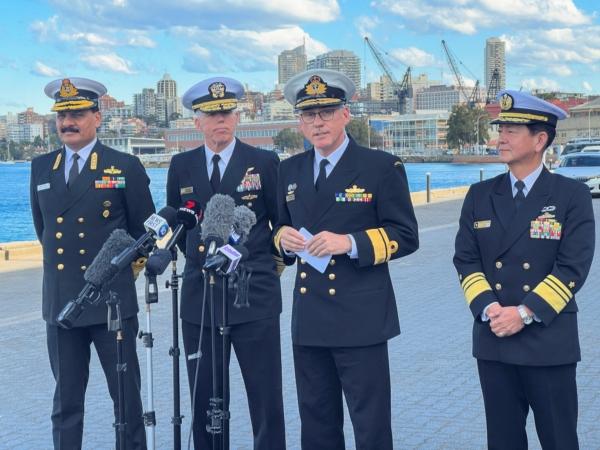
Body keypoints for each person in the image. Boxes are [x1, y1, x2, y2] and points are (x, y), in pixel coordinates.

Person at [274, 69, 419, 450]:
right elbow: (277, 229)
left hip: (361, 319)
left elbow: (406, 236)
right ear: (300, 122)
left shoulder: (381, 167)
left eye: (326, 112)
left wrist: (350, 243)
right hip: (309, 319)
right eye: (309, 115)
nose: (317, 122)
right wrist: (282, 239)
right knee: (317, 424)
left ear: (345, 114)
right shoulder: (288, 171)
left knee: (370, 427)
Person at [453, 90, 595, 449]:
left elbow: (572, 267)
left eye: (512, 130)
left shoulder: (569, 196)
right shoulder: (479, 195)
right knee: (502, 442)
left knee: (559, 440)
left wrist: (524, 312)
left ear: (540, 139)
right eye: (500, 128)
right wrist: (490, 309)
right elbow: (466, 260)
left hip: (547, 340)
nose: (500, 137)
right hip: (494, 338)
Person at [30, 77, 154, 449]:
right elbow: (44, 231)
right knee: (66, 403)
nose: (68, 122)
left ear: (97, 117)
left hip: (110, 304)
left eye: (78, 114)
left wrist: (117, 278)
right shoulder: (41, 167)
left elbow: (144, 233)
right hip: (61, 305)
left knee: (126, 402)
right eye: (62, 115)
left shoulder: (124, 166)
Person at [166, 77, 286, 449]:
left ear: (237, 117)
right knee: (205, 403)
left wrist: (261, 266)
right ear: (196, 121)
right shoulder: (181, 165)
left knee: (265, 400)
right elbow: (181, 226)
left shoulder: (264, 162)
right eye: (211, 114)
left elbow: (282, 225)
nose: (221, 120)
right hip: (201, 299)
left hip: (252, 297)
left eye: (227, 112)